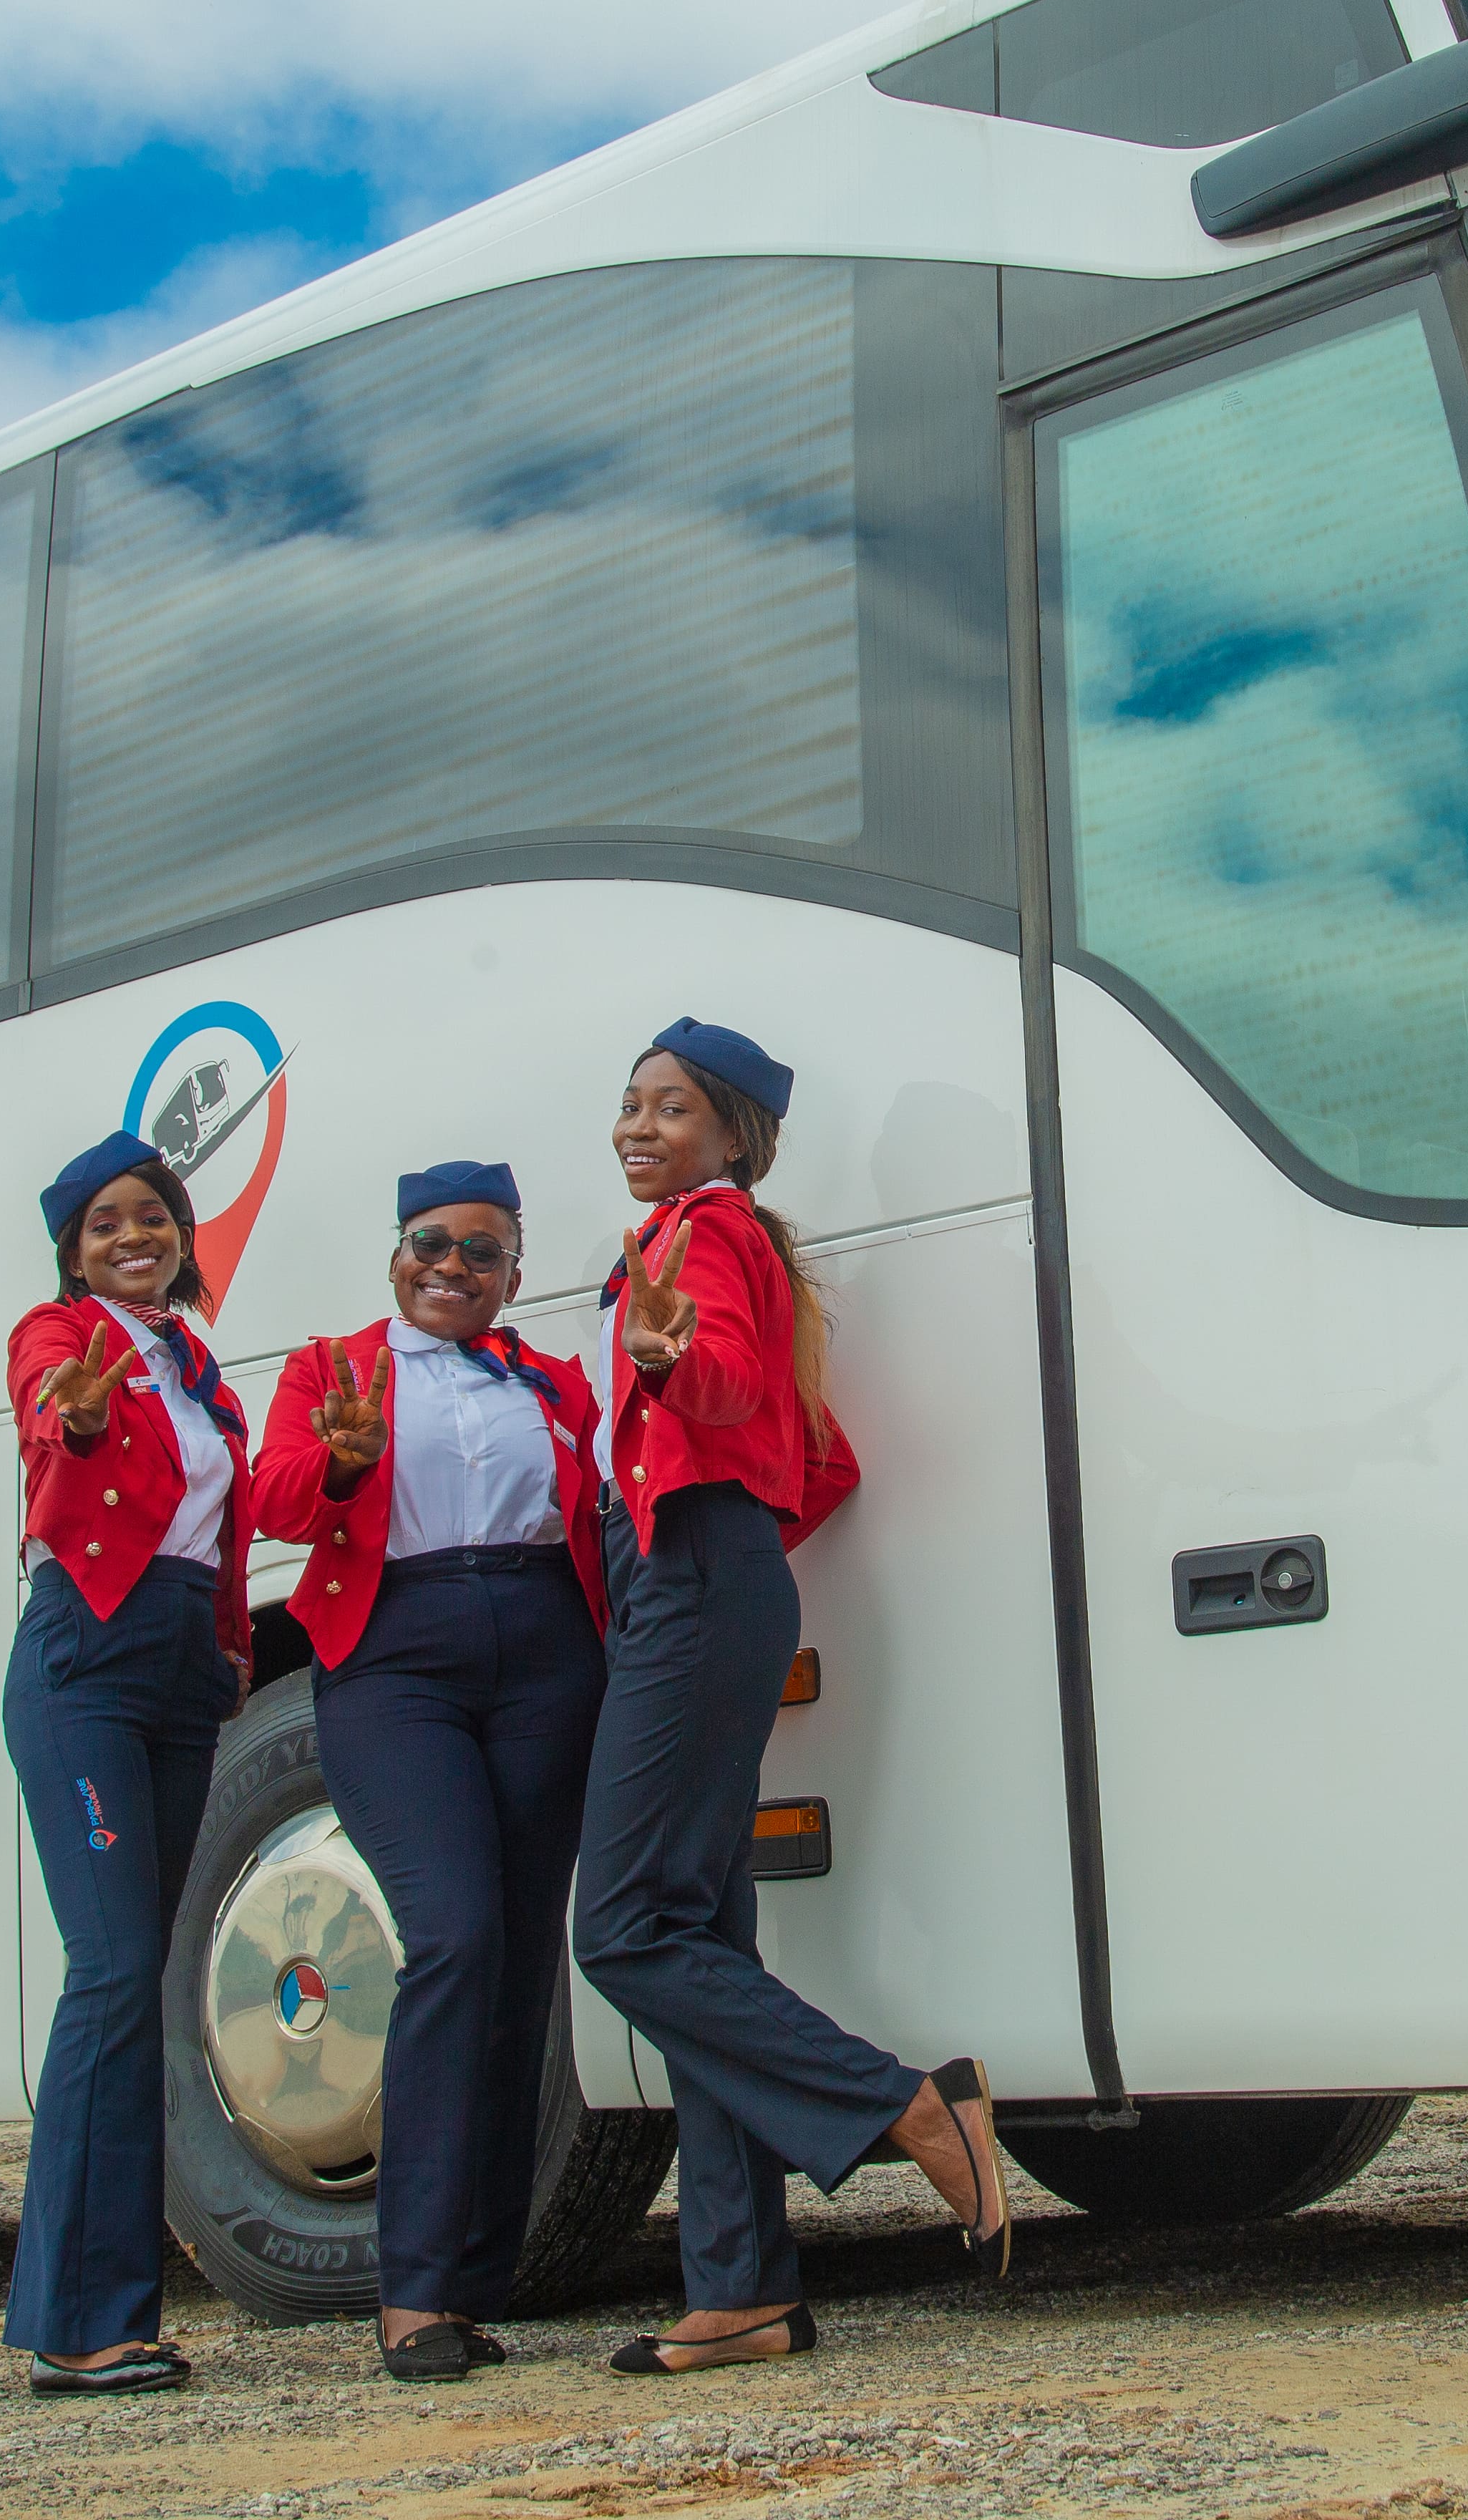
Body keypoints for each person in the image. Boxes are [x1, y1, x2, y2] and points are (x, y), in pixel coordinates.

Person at [572, 1018, 1012, 2376]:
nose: (639, 1127)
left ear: (734, 1136)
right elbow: (823, 1458)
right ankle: (741, 2285)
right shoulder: (738, 1244)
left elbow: (719, 1379)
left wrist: (672, 1384)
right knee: (700, 1931)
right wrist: (741, 1545)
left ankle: (907, 2108)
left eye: (672, 1108)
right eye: (631, 1104)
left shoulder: (703, 1233)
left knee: (624, 1929)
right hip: (709, 1576)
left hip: (695, 1581)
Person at [251, 1161, 609, 2383]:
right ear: (397, 1254)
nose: (452, 1265)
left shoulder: (549, 1382)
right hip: (394, 1663)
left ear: (514, 1274)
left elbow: (605, 1499)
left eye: (483, 1251)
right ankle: (412, 2291)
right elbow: (275, 1503)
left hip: (546, 1655)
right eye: (431, 1242)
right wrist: (344, 1463)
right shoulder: (332, 1370)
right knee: (455, 1935)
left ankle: (478, 2273)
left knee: (519, 1956)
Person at [2, 1132, 253, 2394]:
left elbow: (224, 1527)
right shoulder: (61, 1339)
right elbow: (54, 1418)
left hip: (179, 1669)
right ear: (73, 1252)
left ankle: (120, 2313)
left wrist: (232, 1652)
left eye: (151, 1215)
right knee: (106, 1973)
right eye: (104, 1223)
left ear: (182, 1233)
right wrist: (80, 1419)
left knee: (140, 1977)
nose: (133, 1236)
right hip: (86, 1666)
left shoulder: (198, 1368)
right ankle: (72, 2323)